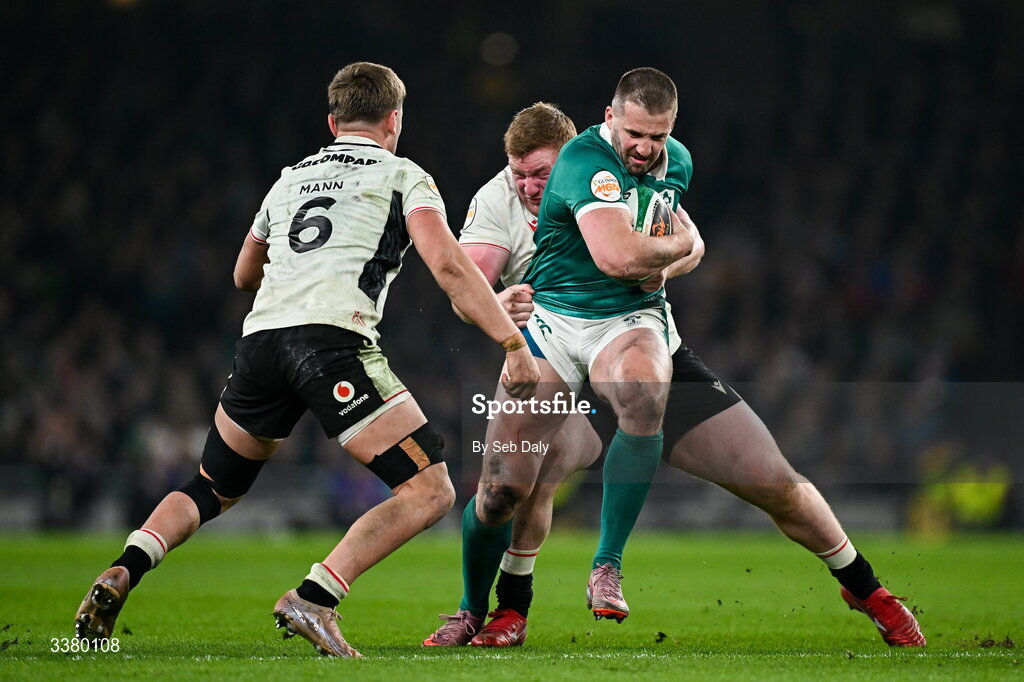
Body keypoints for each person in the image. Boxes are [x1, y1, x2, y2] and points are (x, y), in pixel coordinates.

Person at [426, 70, 925, 649]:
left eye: (543, 172)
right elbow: (476, 282)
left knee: (774, 481)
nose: (534, 185)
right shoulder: (505, 195)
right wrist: (494, 307)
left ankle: (867, 588)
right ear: (605, 125)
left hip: (636, 342)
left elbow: (685, 242)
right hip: (554, 342)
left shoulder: (662, 164)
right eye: (524, 175)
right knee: (508, 489)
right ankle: (490, 610)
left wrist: (670, 256)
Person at [73, 61, 540, 659]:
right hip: (332, 342)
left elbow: (244, 274)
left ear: (332, 120)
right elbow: (450, 268)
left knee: (214, 484)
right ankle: (315, 597)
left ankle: (125, 567)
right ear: (394, 119)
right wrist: (512, 343)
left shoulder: (289, 178)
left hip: (262, 341)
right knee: (430, 489)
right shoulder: (405, 176)